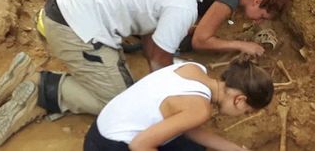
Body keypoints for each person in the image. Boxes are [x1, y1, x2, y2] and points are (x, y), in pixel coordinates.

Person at [0, 0, 248, 147]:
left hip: (67, 3)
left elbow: (153, 36)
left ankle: (19, 76)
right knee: (120, 105)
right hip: (75, 29)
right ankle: (44, 90)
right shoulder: (183, 3)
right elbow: (159, 58)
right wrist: (174, 93)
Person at [83, 59, 274, 151]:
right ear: (239, 100)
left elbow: (186, 128)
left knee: (193, 149)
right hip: (109, 146)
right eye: (247, 111)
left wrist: (234, 149)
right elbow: (139, 145)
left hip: (100, 130)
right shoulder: (200, 108)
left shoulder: (195, 68)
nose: (243, 115)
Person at [191, 0, 289, 56]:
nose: (259, 21)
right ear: (257, 2)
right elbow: (199, 42)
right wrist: (241, 45)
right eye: (262, 16)